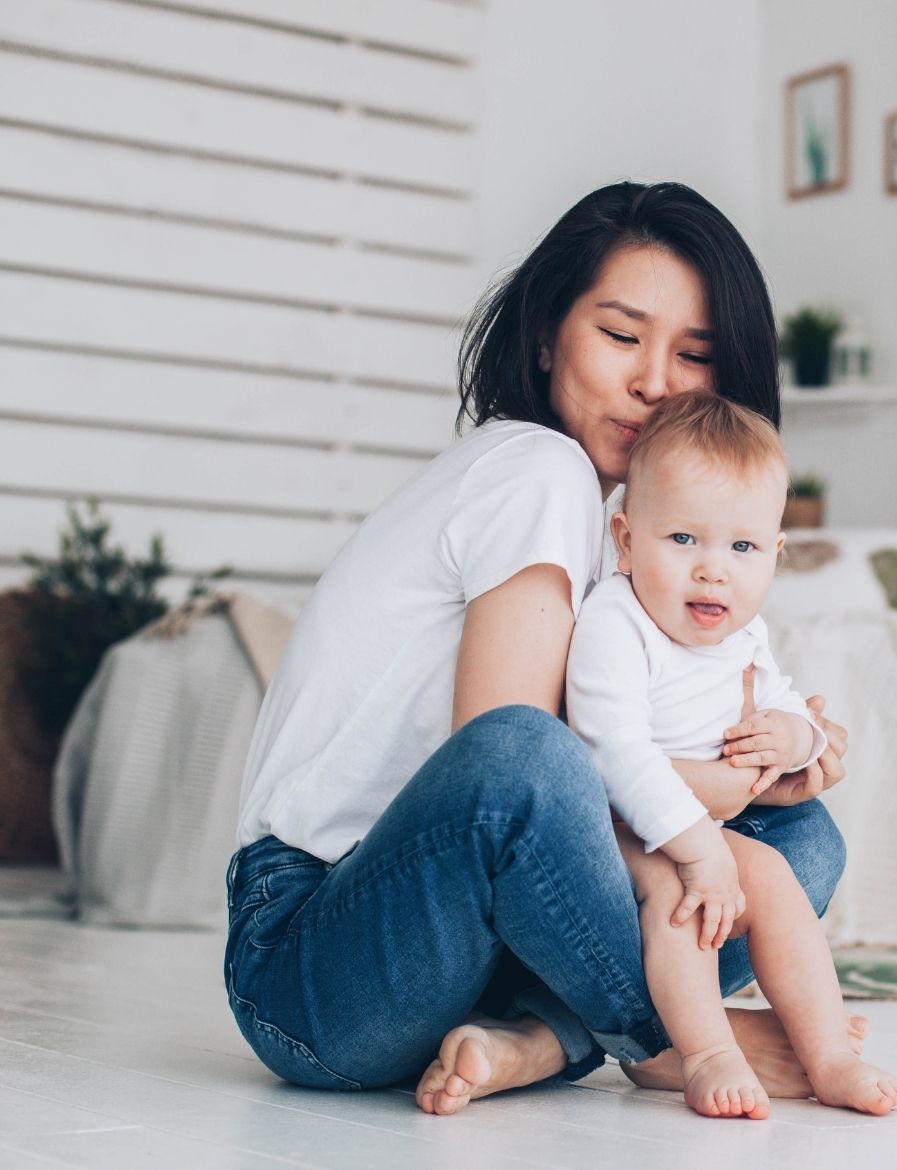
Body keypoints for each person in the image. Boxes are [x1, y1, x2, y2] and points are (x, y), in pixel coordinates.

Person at [223, 181, 858, 1114]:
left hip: (448, 947)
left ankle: (532, 1040)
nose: (656, 381)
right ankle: (666, 1040)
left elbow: (603, 782)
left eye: (695, 354)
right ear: (545, 337)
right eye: (620, 335)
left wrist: (774, 752)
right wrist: (718, 788)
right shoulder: (536, 468)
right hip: (313, 961)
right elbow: (516, 775)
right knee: (534, 756)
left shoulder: (625, 547)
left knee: (797, 841)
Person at [567, 394, 897, 1119]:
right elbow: (611, 751)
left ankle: (829, 1057)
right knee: (684, 898)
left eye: (742, 548)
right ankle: (707, 1053)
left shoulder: (742, 637)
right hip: (611, 830)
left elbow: (789, 705)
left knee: (778, 878)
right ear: (627, 540)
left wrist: (796, 738)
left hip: (700, 826)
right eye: (684, 539)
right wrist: (698, 851)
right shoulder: (616, 620)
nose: (712, 571)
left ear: (774, 557)